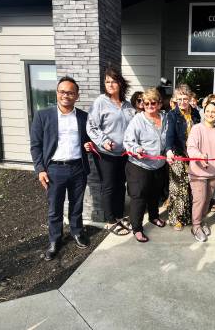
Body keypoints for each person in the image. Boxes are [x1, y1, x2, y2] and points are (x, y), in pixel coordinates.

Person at [30, 76, 91, 261]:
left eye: (71, 92)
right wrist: (40, 169)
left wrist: (88, 145)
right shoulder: (43, 115)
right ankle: (55, 240)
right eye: (63, 91)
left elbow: (87, 140)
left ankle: (77, 232)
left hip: (78, 167)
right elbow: (35, 145)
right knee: (54, 208)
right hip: (54, 169)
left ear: (76, 96)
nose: (66, 95)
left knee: (76, 204)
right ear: (57, 93)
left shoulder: (83, 117)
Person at [87, 67, 135, 235]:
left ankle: (119, 215)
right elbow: (91, 126)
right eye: (107, 81)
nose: (110, 84)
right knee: (108, 186)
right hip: (105, 154)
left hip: (124, 154)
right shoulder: (101, 101)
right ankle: (109, 219)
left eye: (113, 81)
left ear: (120, 83)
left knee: (121, 185)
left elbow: (133, 129)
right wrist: (104, 141)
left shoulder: (128, 105)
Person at [123, 88, 168, 242]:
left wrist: (168, 151)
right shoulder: (138, 120)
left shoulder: (165, 118)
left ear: (160, 103)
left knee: (155, 194)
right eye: (146, 103)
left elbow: (167, 139)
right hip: (139, 165)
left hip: (158, 164)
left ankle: (154, 217)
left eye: (153, 102)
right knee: (139, 197)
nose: (149, 105)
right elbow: (128, 141)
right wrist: (137, 149)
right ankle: (137, 228)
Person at [187, 102, 215, 242]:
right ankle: (195, 226)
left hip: (214, 173)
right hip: (198, 172)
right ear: (203, 112)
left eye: (213, 112)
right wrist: (199, 155)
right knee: (199, 200)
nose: (210, 114)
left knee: (207, 200)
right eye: (208, 111)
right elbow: (191, 147)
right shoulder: (197, 128)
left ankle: (202, 221)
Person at [166, 84, 201, 231]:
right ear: (175, 99)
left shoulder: (195, 114)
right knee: (177, 189)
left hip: (192, 156)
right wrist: (168, 150)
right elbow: (169, 135)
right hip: (178, 155)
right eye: (179, 99)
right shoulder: (172, 114)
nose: (182, 102)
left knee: (188, 188)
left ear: (189, 98)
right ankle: (176, 218)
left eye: (185, 99)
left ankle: (186, 217)